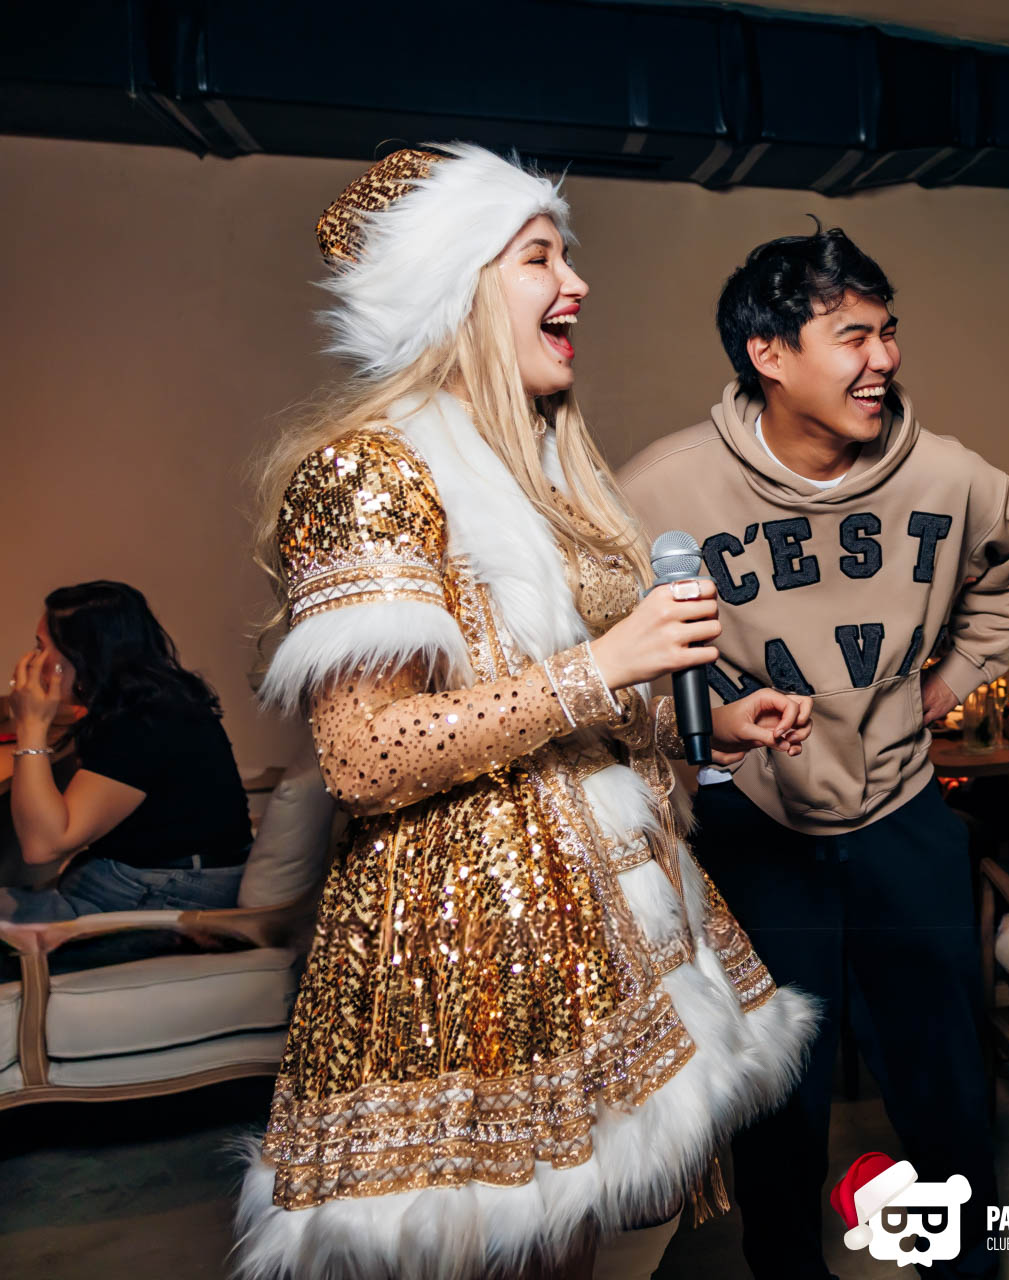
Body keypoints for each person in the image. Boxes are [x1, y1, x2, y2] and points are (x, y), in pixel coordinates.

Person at [234, 145, 817, 1280]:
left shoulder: (540, 468)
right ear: (453, 287)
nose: (576, 283)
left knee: (579, 1246)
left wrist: (693, 720)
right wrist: (606, 665)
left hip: (596, 923)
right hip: (471, 948)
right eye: (540, 257)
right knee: (504, 1249)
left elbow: (564, 704)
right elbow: (363, 753)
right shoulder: (369, 470)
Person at [618, 225, 1009, 1279]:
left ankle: (968, 1267)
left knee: (945, 1075)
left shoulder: (946, 474)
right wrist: (701, 722)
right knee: (780, 1090)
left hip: (903, 805)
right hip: (755, 816)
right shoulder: (662, 488)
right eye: (852, 335)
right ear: (768, 353)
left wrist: (956, 674)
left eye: (888, 332)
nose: (884, 358)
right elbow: (602, 646)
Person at [2, 581, 253, 962]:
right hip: (167, 882)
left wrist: (31, 727)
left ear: (81, 654)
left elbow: (42, 845)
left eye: (41, 647)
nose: (33, 660)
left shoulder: (143, 723)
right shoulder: (153, 702)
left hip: (170, 896)